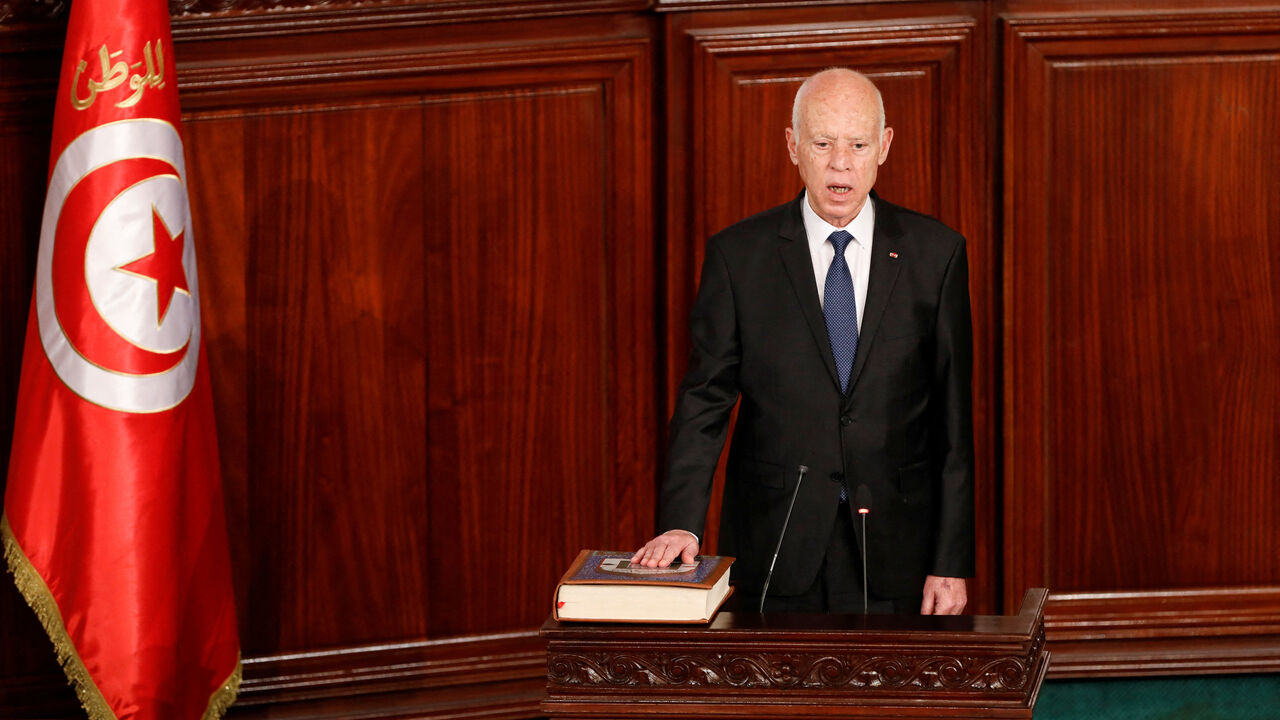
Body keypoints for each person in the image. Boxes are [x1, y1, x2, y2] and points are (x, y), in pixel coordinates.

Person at [632, 68, 973, 615]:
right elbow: (705, 400)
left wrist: (951, 560)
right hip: (775, 539)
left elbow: (953, 422)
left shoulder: (936, 255)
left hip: (898, 547)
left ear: (884, 146)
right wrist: (681, 524)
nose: (841, 163)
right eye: (822, 143)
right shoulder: (738, 258)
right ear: (793, 146)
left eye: (858, 144)